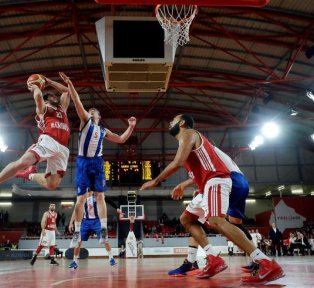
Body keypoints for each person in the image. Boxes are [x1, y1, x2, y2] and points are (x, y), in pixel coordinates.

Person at [140, 114, 285, 285]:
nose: (170, 122)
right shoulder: (187, 146)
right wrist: (186, 186)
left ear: (182, 123)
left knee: (216, 221)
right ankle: (212, 257)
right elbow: (194, 172)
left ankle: (265, 262)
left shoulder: (189, 133)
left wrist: (155, 181)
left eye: (173, 120)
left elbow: (178, 162)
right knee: (187, 219)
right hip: (210, 184)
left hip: (217, 179)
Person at [58, 72, 136, 248]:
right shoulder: (85, 121)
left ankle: (102, 230)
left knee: (100, 196)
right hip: (83, 162)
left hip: (97, 162)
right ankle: (77, 232)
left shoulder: (103, 130)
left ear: (99, 116)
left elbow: (121, 139)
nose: (90, 111)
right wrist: (70, 84)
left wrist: (130, 127)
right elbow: (77, 102)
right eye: (89, 110)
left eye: (93, 111)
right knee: (81, 199)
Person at [0, 75, 70, 190]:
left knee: (52, 184)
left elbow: (67, 91)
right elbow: (38, 96)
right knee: (23, 162)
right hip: (49, 140)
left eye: (54, 96)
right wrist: (36, 86)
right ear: (46, 100)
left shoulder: (62, 109)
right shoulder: (43, 108)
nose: (54, 97)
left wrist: (50, 81)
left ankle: (30, 174)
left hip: (63, 147)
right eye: (51, 96)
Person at [167, 187, 256, 277]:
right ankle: (258, 259)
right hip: (238, 185)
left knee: (190, 220)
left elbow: (202, 175)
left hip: (215, 189)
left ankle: (195, 261)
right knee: (235, 223)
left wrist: (183, 185)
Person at [68, 190, 117, 269]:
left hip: (97, 220)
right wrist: (71, 222)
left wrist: (116, 208)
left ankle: (111, 258)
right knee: (78, 241)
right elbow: (76, 210)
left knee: (105, 239)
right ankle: (74, 261)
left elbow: (106, 202)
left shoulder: (97, 195)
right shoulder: (82, 197)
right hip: (85, 221)